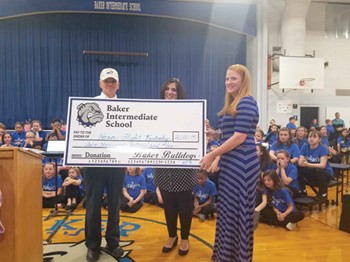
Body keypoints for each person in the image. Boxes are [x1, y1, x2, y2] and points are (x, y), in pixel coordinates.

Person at [200, 64, 260, 262]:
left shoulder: (247, 103)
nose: (229, 82)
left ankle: (238, 257)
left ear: (244, 81)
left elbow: (239, 137)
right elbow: (230, 134)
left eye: (233, 78)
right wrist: (215, 133)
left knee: (238, 212)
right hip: (232, 163)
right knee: (228, 211)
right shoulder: (234, 104)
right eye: (227, 78)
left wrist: (211, 155)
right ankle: (225, 255)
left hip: (242, 164)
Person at [84, 68, 125, 262]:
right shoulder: (88, 105)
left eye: (113, 81)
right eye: (106, 81)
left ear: (118, 84)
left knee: (115, 204)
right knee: (93, 205)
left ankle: (113, 241)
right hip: (94, 164)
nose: (110, 84)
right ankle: (92, 245)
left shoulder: (127, 108)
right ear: (100, 83)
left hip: (117, 163)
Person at [154, 78, 198, 256]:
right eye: (167, 89)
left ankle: (185, 238)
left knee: (185, 207)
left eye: (174, 90)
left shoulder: (189, 112)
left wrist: (204, 128)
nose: (170, 92)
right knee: (169, 206)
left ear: (179, 94)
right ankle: (172, 236)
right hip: (163, 168)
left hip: (183, 168)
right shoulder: (154, 112)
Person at [298, 130, 334, 200]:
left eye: (314, 137)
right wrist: (301, 163)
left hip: (325, 174)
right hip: (312, 172)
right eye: (310, 137)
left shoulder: (323, 149)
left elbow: (322, 165)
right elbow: (300, 162)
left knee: (319, 170)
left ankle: (323, 194)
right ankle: (303, 190)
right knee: (298, 168)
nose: (311, 139)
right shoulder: (305, 147)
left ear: (319, 139)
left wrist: (308, 164)